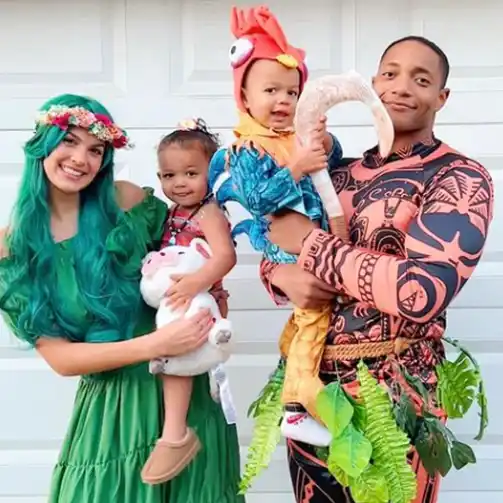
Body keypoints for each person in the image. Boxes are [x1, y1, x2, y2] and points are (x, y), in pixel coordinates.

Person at [259, 36, 494, 502]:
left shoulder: (459, 177)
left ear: (441, 98)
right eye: (390, 73)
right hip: (310, 391)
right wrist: (280, 276)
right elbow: (276, 249)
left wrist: (310, 243)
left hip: (399, 393)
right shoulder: (335, 173)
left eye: (421, 79)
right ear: (371, 85)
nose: (401, 87)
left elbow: (421, 291)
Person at [0, 94, 244, 503]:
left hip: (183, 395)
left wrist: (210, 290)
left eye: (95, 149)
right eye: (69, 142)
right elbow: (61, 358)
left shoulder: (127, 202)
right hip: (114, 411)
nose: (81, 158)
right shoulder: (13, 248)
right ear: (43, 143)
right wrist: (157, 344)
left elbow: (191, 244)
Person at [209, 4, 344, 446]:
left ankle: (291, 359)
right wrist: (298, 169)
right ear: (244, 97)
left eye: (292, 92)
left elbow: (334, 163)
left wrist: (324, 143)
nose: (283, 101)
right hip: (289, 246)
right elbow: (259, 200)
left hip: (313, 240)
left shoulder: (294, 141)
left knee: (305, 320)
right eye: (271, 90)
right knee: (315, 316)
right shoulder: (248, 149)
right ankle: (294, 407)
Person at [140, 118, 237, 485]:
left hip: (200, 297)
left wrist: (195, 282)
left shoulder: (209, 212)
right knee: (173, 351)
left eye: (190, 173)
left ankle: (175, 434)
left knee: (176, 354)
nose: (178, 183)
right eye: (168, 176)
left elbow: (224, 256)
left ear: (212, 174)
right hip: (185, 296)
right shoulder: (173, 214)